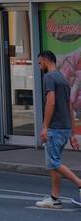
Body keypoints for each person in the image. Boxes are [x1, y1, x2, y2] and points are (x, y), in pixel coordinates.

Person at [35, 49, 81, 209]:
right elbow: (70, 107)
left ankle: (80, 184)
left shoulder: (49, 77)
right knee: (54, 162)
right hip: (64, 129)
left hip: (54, 128)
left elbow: (51, 102)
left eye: (40, 63)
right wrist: (72, 133)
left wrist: (45, 127)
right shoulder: (63, 78)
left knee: (53, 163)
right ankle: (54, 198)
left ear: (46, 61)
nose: (40, 66)